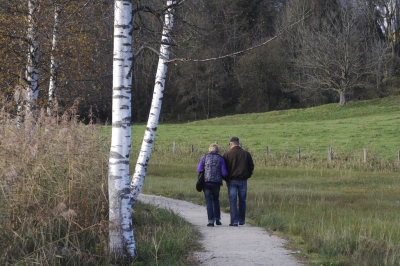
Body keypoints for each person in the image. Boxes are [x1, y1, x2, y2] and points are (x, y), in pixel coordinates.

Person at [223, 137, 254, 226]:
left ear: (231, 144)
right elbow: (251, 166)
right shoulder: (246, 154)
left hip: (231, 180)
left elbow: (223, 168)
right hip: (243, 180)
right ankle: (241, 220)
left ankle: (234, 221)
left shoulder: (227, 154)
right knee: (242, 200)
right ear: (238, 143)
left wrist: (226, 178)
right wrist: (248, 175)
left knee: (233, 201)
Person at [197, 143, 228, 227]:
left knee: (208, 202)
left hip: (206, 182)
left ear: (209, 149)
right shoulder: (220, 158)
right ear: (218, 150)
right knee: (216, 200)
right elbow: (224, 173)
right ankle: (217, 219)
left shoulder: (204, 157)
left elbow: (198, 169)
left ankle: (211, 221)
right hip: (216, 183)